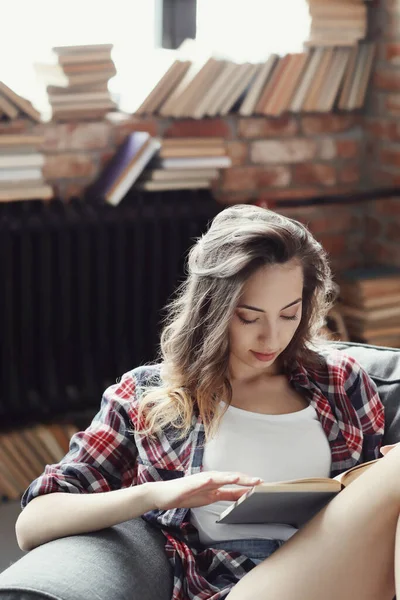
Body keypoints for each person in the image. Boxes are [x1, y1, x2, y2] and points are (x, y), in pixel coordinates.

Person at [14, 204, 400, 600]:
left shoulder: (340, 383)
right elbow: (32, 524)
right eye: (249, 318)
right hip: (237, 586)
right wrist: (163, 493)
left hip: (345, 569)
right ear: (213, 311)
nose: (271, 338)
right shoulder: (147, 396)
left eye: (289, 314)